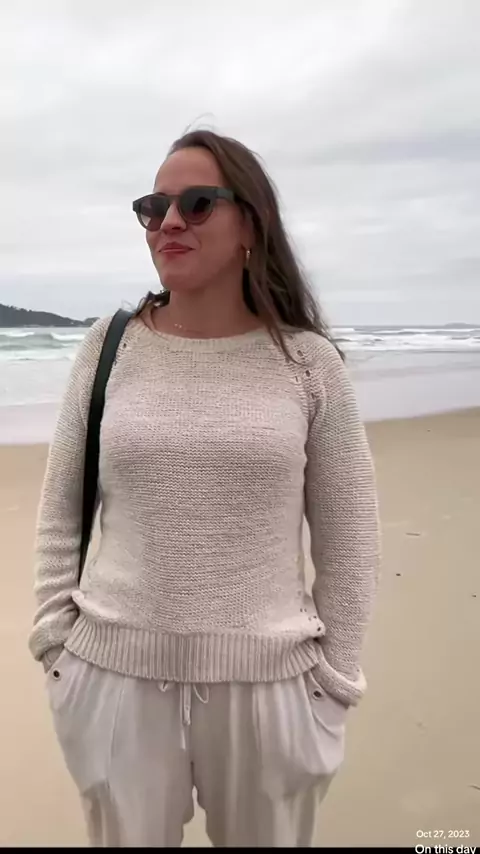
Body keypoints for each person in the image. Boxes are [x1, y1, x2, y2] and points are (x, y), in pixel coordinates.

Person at [29, 129, 380, 848]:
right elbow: (61, 510)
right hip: (113, 679)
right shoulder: (108, 347)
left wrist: (334, 682)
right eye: (152, 207)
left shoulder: (308, 364)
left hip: (273, 691)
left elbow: (349, 539)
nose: (168, 222)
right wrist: (57, 649)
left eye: (195, 204)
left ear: (250, 223)